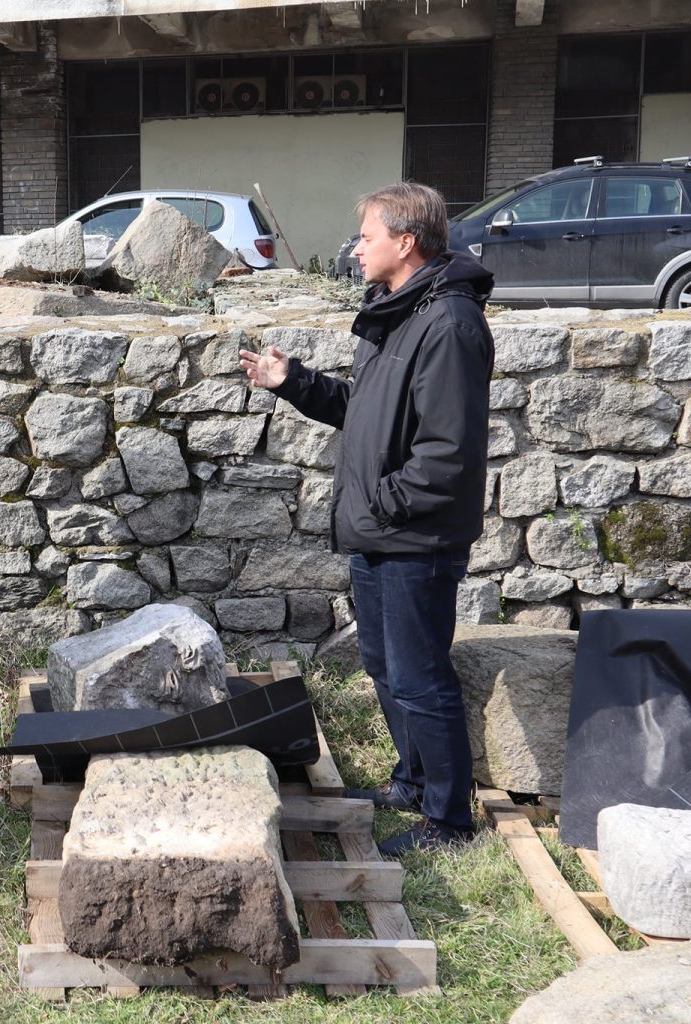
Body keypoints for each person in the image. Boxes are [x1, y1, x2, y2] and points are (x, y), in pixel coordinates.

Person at [239, 182, 495, 856]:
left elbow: (448, 452)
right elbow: (365, 411)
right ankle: (413, 784)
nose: (355, 249)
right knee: (385, 666)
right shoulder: (398, 312)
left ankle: (449, 822)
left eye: (367, 237)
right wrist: (293, 382)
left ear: (405, 242)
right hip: (381, 529)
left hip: (415, 534)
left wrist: (381, 502)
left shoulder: (449, 324)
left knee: (420, 676)